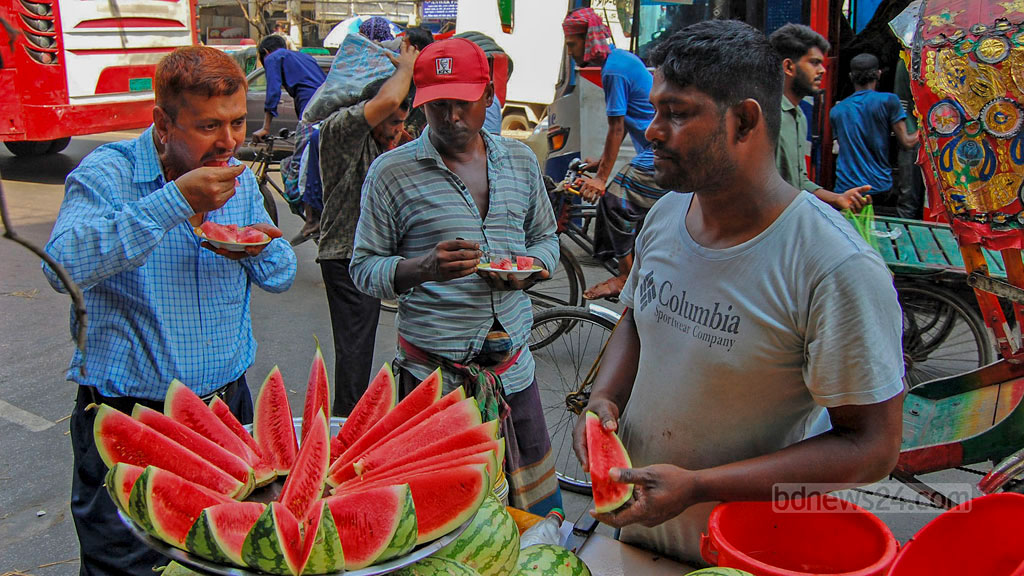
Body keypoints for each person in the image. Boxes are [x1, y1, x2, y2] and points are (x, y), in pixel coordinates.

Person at [571, 21, 904, 565]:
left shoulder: (833, 266)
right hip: (635, 541)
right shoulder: (666, 214)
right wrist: (605, 398)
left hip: (746, 555)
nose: (652, 131)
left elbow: (872, 448)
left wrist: (699, 485)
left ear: (744, 121)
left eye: (676, 113)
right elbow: (635, 315)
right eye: (655, 110)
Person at [42, 46, 297, 575]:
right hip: (136, 418)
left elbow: (279, 276)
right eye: (208, 126)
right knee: (129, 566)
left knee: (226, 557)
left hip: (227, 411)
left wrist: (256, 248)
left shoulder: (236, 178)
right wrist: (175, 202)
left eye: (235, 123)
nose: (229, 142)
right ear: (163, 122)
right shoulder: (107, 174)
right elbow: (59, 265)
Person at [350, 38, 563, 516]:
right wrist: (422, 268)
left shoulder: (522, 162)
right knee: (437, 524)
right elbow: (363, 269)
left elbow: (547, 240)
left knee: (535, 522)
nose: (450, 117)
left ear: (488, 95)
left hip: (513, 374)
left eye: (462, 102)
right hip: (433, 381)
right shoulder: (391, 173)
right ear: (420, 104)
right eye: (436, 105)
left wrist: (531, 271)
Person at [317, 40, 419, 417]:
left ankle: (352, 422)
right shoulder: (340, 130)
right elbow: (386, 102)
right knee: (355, 353)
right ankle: (344, 428)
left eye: (402, 123)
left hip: (371, 257)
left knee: (364, 347)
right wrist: (405, 68)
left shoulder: (387, 144)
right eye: (391, 121)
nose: (397, 130)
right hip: (344, 257)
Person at [562, 8, 669, 301]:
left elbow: (616, 128)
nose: (570, 52)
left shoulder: (613, 70)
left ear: (587, 40)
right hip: (655, 147)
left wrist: (601, 178)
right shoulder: (621, 61)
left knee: (612, 199)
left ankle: (625, 274)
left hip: (661, 150)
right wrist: (601, 163)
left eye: (572, 44)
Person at [768, 24, 872, 212]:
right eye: (814, 63)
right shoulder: (765, 117)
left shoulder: (799, 117)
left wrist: (838, 198)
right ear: (789, 67)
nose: (823, 70)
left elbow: (799, 182)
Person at [253, 34, 326, 241]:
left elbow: (273, 92)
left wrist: (265, 128)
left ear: (265, 53)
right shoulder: (305, 57)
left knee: (295, 168)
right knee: (312, 166)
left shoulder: (274, 57)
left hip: (312, 116)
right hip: (327, 113)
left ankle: (312, 221)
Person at [830, 53, 919, 207]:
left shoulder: (837, 111)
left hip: (845, 189)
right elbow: (907, 142)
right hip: (878, 188)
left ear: (851, 76)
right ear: (879, 74)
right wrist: (928, 127)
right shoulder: (889, 101)